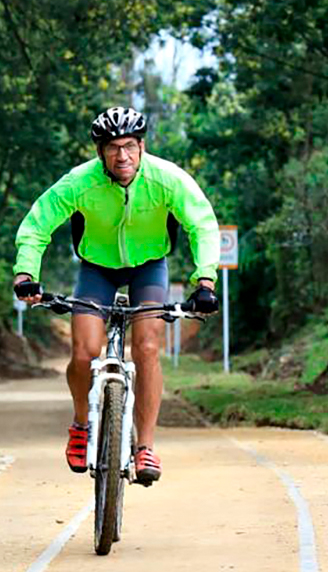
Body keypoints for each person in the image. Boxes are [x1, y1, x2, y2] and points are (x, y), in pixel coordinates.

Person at [12, 106, 221, 486]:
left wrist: (204, 282)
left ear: (141, 146)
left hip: (149, 266)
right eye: (112, 148)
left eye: (128, 146)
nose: (121, 156)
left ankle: (145, 447)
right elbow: (37, 223)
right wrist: (27, 273)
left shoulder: (167, 179)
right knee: (84, 350)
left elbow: (202, 225)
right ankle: (80, 424)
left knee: (147, 347)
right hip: (97, 268)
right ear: (99, 152)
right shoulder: (80, 182)